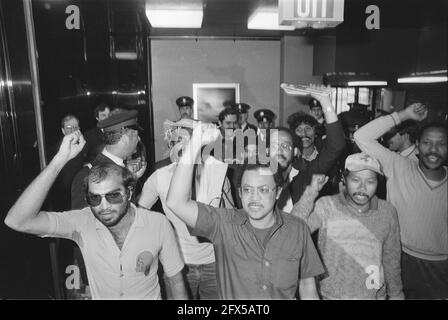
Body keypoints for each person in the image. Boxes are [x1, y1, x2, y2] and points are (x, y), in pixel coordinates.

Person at [4, 131, 187, 299]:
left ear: (129, 193)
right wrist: (60, 160)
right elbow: (17, 221)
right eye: (94, 198)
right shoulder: (83, 222)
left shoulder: (158, 224)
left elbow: (175, 280)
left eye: (113, 195)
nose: (104, 206)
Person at [165, 122, 325, 299]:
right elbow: (176, 202)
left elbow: (307, 284)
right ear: (240, 193)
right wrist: (195, 142)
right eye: (248, 190)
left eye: (264, 190)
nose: (254, 198)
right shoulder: (224, 224)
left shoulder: (297, 229)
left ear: (278, 191)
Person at [354, 102, 448, 299]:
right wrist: (403, 115)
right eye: (427, 142)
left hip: (441, 266)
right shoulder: (399, 167)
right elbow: (361, 137)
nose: (433, 149)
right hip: (399, 258)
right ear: (417, 145)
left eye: (441, 143)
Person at [138, 119, 233, 300]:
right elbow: (139, 216)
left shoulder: (217, 173)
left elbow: (231, 218)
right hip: (178, 264)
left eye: (183, 140)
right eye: (173, 141)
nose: (177, 146)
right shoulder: (159, 177)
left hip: (215, 262)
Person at [292, 153, 404, 299]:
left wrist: (397, 295)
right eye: (355, 180)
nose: (362, 187)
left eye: (370, 181)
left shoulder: (387, 212)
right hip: (330, 296)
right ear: (344, 179)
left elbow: (391, 259)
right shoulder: (327, 206)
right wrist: (311, 192)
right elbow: (293, 231)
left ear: (378, 183)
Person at [71, 109, 146, 209]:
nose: (139, 140)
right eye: (137, 135)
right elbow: (82, 221)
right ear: (125, 137)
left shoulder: (123, 169)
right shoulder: (87, 176)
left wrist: (133, 179)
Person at [287, 86, 346, 203]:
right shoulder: (289, 159)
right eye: (299, 130)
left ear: (316, 132)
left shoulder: (321, 157)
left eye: (308, 129)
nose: (304, 134)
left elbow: (337, 145)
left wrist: (325, 102)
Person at [269, 127, 300, 213]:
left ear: (295, 152)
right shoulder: (258, 178)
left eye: (285, 146)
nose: (279, 150)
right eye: (274, 146)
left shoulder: (305, 180)